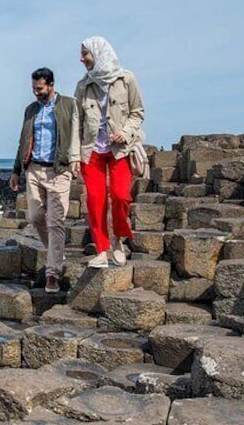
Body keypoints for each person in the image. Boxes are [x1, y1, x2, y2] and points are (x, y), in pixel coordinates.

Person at [75, 36, 145, 269]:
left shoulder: (127, 79)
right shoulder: (83, 86)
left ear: (98, 52)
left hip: (120, 150)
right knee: (95, 201)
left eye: (85, 53)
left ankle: (118, 240)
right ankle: (102, 250)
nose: (81, 58)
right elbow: (77, 122)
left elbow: (138, 112)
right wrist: (74, 156)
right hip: (91, 150)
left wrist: (125, 132)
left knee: (121, 196)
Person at [9, 67, 80, 293]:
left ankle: (53, 273)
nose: (36, 93)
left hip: (59, 171)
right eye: (33, 89)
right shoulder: (31, 110)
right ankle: (56, 252)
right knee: (36, 217)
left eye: (39, 89)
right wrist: (16, 170)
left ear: (50, 85)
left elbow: (79, 134)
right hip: (34, 170)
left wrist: (78, 160)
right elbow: (23, 141)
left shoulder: (69, 105)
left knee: (55, 222)